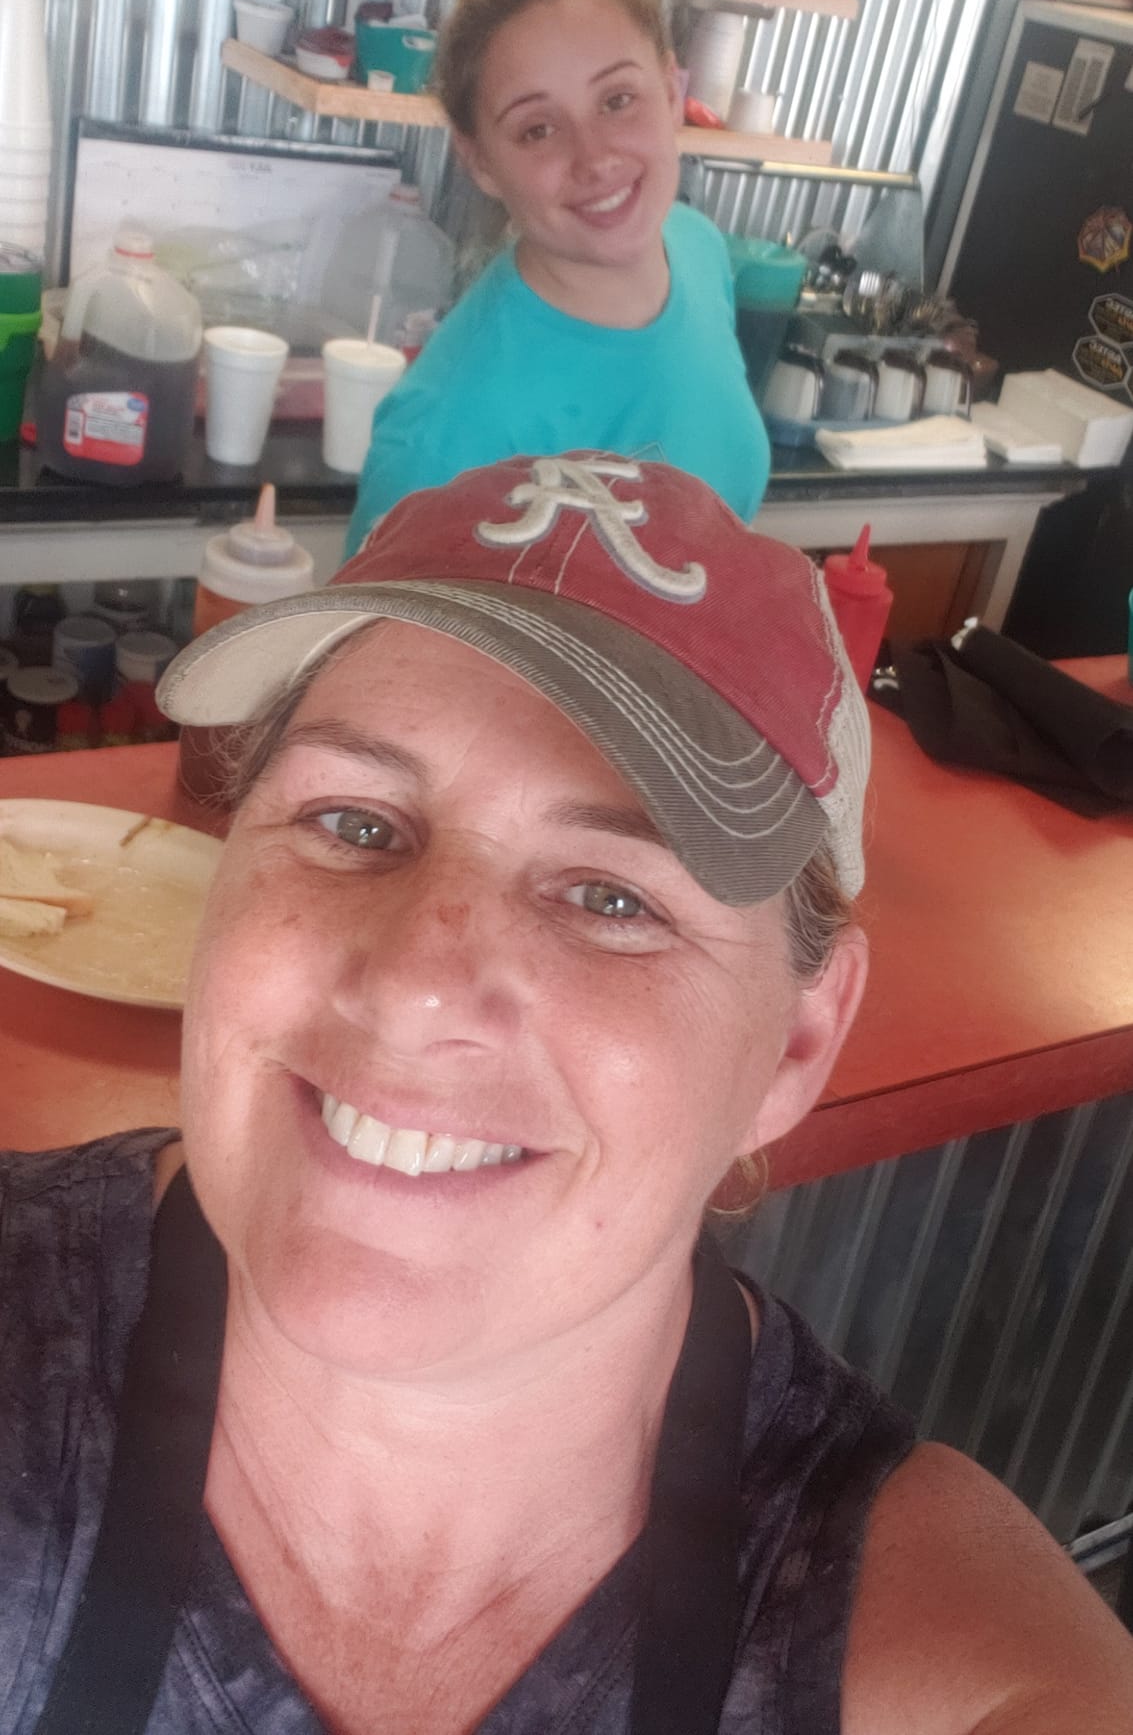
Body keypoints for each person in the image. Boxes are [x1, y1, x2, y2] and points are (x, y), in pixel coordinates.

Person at [5, 451, 1132, 1734]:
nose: (415, 987)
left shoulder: (964, 1675)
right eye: (355, 822)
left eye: (610, 896)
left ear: (795, 1042)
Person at [345, 0, 769, 554]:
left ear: (672, 92)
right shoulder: (444, 437)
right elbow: (369, 629)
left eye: (617, 99)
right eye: (537, 129)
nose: (594, 156)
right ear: (480, 160)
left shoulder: (695, 248)